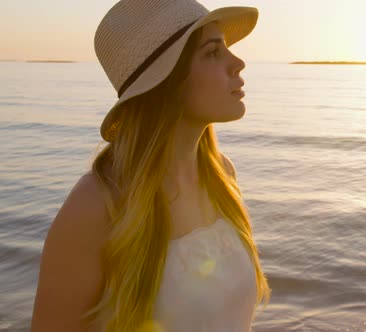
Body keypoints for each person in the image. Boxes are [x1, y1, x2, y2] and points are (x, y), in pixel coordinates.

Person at [30, 0, 271, 331]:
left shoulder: (221, 176)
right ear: (167, 81)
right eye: (213, 53)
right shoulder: (96, 206)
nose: (238, 62)